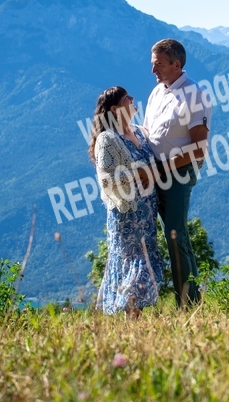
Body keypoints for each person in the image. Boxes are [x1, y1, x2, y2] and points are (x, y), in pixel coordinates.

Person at [143, 39, 211, 308]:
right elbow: (149, 133)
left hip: (177, 173)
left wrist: (161, 168)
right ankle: (189, 300)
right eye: (153, 64)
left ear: (176, 64)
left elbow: (199, 148)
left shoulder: (195, 94)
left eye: (158, 64)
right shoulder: (157, 92)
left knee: (174, 234)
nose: (153, 70)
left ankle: (188, 303)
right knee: (170, 235)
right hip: (153, 171)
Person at [89, 86, 163, 316]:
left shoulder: (140, 132)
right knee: (134, 264)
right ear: (115, 109)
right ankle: (132, 315)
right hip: (127, 215)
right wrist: (140, 173)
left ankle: (133, 318)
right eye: (127, 98)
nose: (133, 99)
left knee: (146, 262)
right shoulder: (108, 139)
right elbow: (107, 180)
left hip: (147, 214)